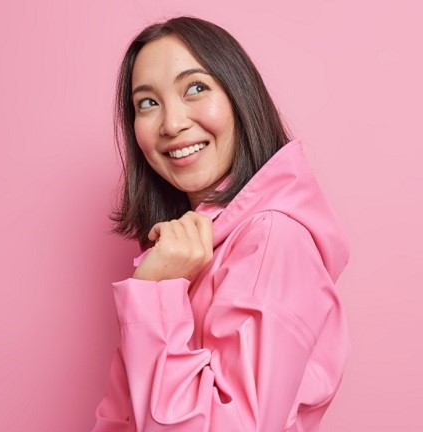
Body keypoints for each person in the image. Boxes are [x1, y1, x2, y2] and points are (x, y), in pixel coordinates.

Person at [92, 16, 350, 432]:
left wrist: (154, 295)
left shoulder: (271, 240)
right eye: (147, 103)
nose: (171, 123)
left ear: (239, 97)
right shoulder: (186, 249)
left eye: (195, 88)